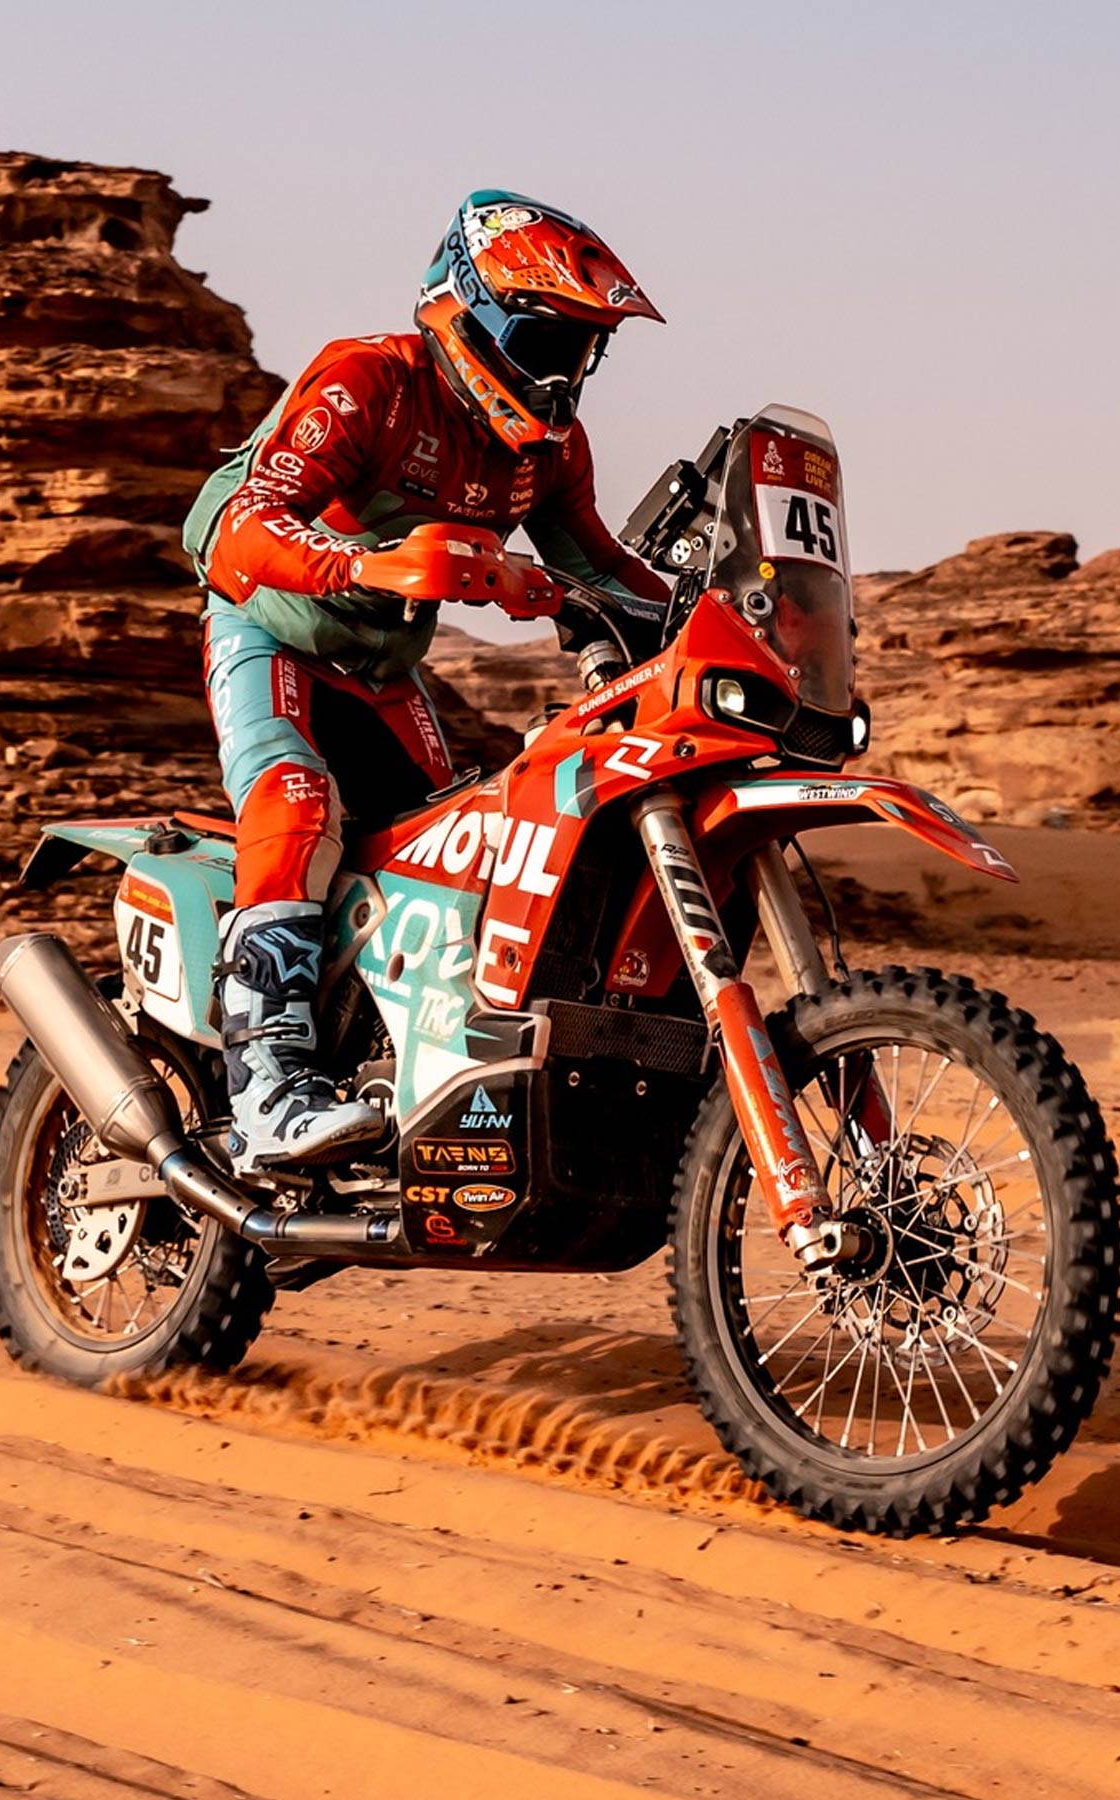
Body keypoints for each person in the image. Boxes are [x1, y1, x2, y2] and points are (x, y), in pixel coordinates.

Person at [181, 189, 669, 1168]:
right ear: (473, 313)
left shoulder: (547, 452)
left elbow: (605, 569)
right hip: (271, 635)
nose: (562, 377)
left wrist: (722, 622)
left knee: (458, 861)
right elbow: (234, 529)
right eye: (546, 343)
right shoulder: (371, 381)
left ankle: (415, 1076)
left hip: (386, 673)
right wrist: (371, 565)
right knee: (296, 802)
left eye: (582, 351)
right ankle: (267, 1092)